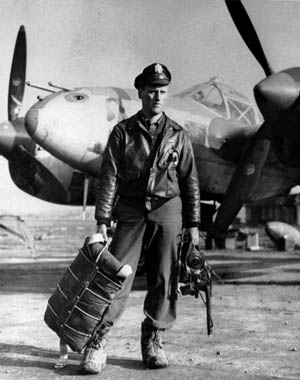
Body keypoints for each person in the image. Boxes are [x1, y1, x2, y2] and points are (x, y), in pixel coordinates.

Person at [81, 62, 201, 374]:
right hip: (132, 209)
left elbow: (190, 181)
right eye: (152, 91)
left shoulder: (178, 135)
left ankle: (153, 338)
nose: (157, 97)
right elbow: (109, 177)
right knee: (116, 275)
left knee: (165, 275)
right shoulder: (123, 133)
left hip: (168, 210)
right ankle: (98, 339)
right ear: (141, 93)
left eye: (162, 92)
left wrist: (194, 225)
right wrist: (102, 220)